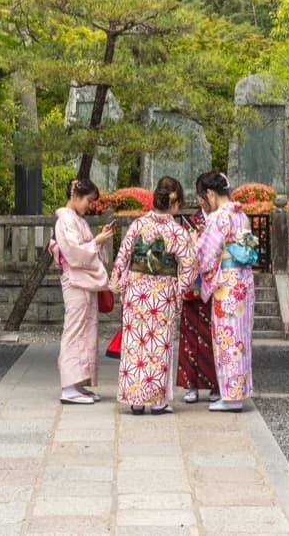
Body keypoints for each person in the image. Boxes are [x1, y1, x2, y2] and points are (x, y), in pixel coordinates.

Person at [109, 176, 198, 415]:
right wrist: (179, 290)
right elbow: (189, 266)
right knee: (159, 346)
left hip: (137, 293)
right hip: (162, 296)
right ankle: (157, 401)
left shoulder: (138, 225)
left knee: (135, 346)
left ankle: (136, 401)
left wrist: (118, 283)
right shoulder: (177, 232)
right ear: (175, 202)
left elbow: (123, 256)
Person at [194, 170, 255, 411]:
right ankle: (238, 392)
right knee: (241, 339)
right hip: (244, 280)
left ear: (210, 193)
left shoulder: (219, 217)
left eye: (204, 195)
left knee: (226, 338)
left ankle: (231, 397)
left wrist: (193, 246)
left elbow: (206, 255)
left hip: (227, 285)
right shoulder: (241, 215)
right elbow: (249, 250)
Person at [53, 178, 114, 405]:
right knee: (74, 330)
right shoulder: (65, 221)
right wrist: (95, 242)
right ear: (76, 196)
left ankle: (78, 383)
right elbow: (73, 252)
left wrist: (99, 241)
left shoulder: (77, 221)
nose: (89, 205)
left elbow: (85, 249)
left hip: (85, 281)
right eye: (88, 200)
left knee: (87, 330)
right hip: (75, 281)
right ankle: (68, 386)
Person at [176, 198, 220, 404]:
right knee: (190, 334)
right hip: (194, 285)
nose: (205, 201)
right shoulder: (191, 221)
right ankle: (190, 384)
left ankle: (215, 385)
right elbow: (181, 252)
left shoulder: (221, 220)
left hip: (215, 285)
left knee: (213, 336)